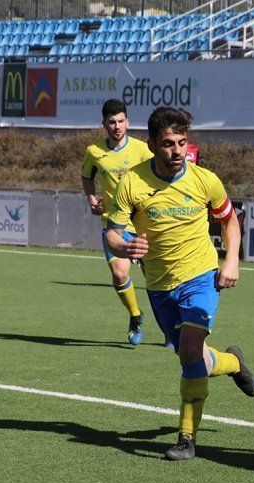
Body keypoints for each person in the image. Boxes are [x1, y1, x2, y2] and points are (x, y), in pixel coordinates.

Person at [105, 107, 254, 461]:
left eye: (182, 143)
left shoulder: (205, 179)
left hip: (201, 277)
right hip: (159, 286)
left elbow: (230, 222)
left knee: (190, 351)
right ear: (152, 145)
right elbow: (112, 233)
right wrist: (125, 245)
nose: (177, 152)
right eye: (168, 144)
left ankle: (187, 439)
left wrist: (231, 259)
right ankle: (233, 363)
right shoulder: (132, 182)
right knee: (196, 360)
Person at [81, 99, 153, 345]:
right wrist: (92, 199)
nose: (117, 126)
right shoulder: (95, 151)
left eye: (121, 121)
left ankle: (170, 325)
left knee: (155, 277)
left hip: (145, 224)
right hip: (115, 225)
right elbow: (86, 175)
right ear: (104, 124)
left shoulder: (143, 150)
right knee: (119, 273)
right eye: (111, 122)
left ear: (128, 122)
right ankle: (135, 315)